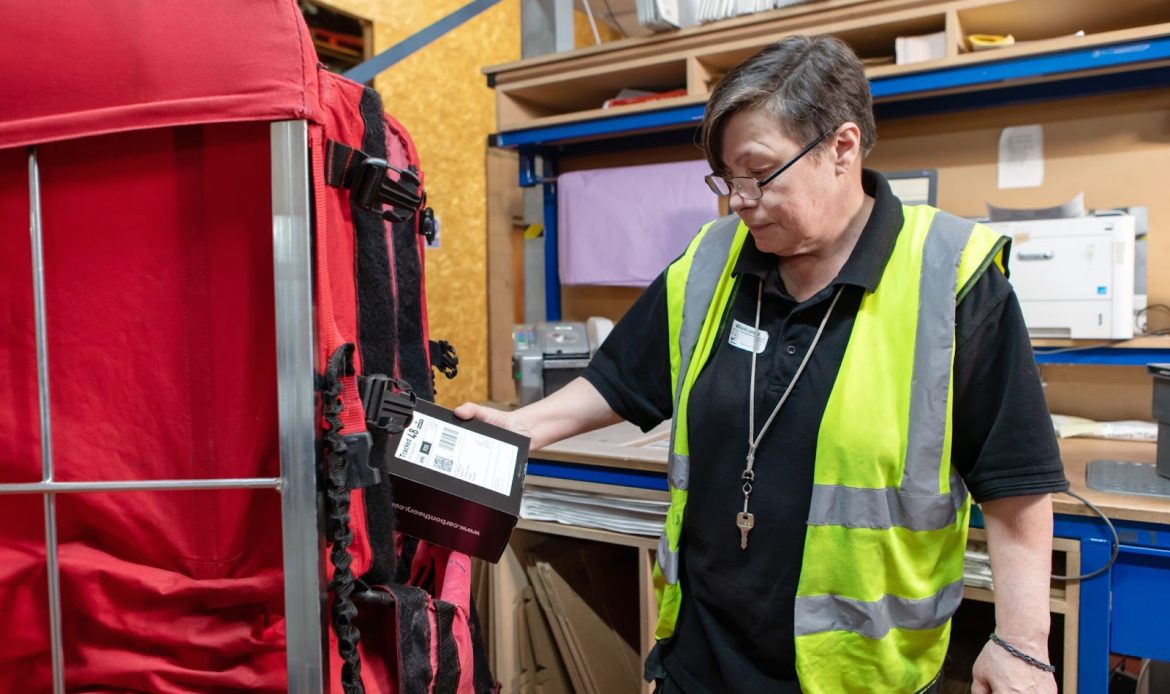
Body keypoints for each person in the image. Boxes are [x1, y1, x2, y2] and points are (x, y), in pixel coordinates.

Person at [457, 35, 1067, 694]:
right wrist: (522, 426)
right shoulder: (714, 259)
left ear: (843, 148)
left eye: (760, 172)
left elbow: (1016, 480)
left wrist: (1022, 645)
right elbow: (621, 379)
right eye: (726, 178)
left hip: (859, 678)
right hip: (701, 661)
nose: (739, 200)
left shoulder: (951, 277)